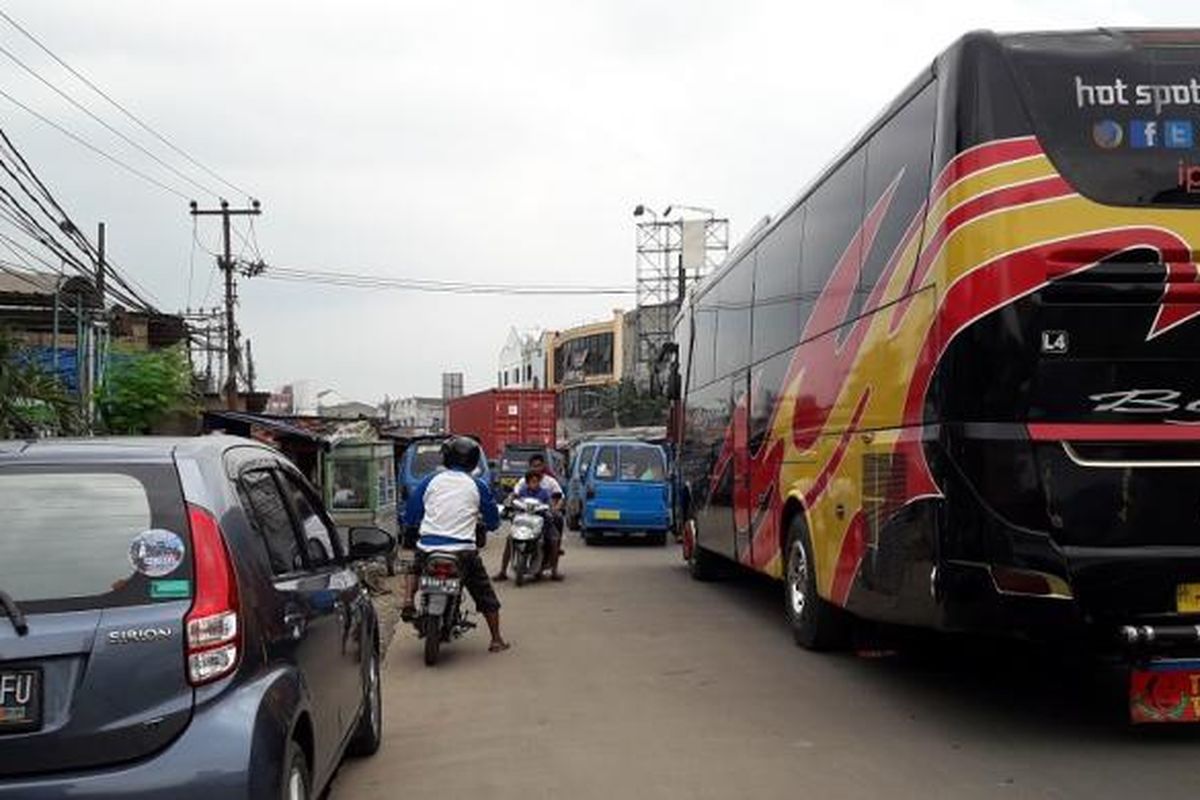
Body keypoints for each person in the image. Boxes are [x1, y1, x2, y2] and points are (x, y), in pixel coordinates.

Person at [402, 436, 510, 653]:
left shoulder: (430, 480)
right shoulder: (477, 484)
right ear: (472, 461)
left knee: (414, 565)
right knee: (484, 593)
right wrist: (490, 524)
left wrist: (413, 523)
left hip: (429, 547)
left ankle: (407, 600)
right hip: (463, 552)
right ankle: (496, 639)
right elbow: (492, 520)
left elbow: (411, 513)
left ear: (447, 457)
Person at [495, 454, 564, 581]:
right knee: (510, 539)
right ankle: (503, 571)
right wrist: (509, 501)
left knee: (554, 540)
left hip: (543, 520)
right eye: (533, 466)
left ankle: (554, 571)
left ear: (543, 466)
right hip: (523, 519)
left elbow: (558, 498)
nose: (536, 469)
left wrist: (554, 508)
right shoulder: (522, 485)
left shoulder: (549, 484)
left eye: (539, 465)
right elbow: (514, 495)